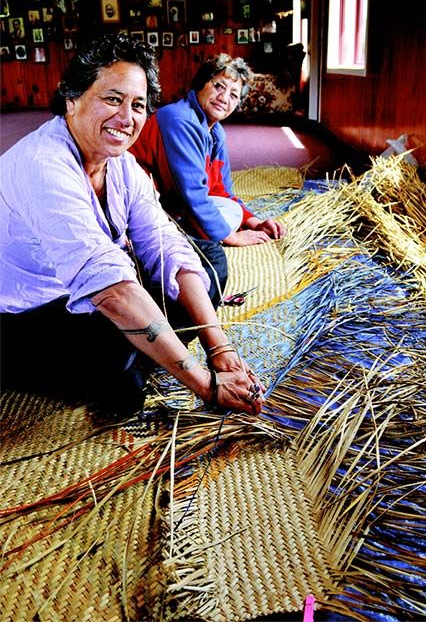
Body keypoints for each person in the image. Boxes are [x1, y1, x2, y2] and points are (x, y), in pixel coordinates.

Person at [0, 34, 265, 420]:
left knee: (206, 270)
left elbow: (165, 243)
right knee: (119, 344)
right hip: (23, 315)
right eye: (112, 99)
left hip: (92, 293)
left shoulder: (121, 164)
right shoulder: (44, 165)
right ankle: (123, 365)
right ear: (72, 99)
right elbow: (111, 291)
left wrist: (220, 348)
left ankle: (138, 359)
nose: (126, 118)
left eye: (138, 105)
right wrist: (205, 384)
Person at [129, 54, 286, 302]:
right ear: (201, 84)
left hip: (173, 204)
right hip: (141, 203)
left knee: (232, 210)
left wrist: (254, 221)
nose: (224, 98)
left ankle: (196, 229)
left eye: (234, 95)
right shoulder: (179, 119)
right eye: (218, 86)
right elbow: (192, 196)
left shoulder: (216, 132)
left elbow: (223, 192)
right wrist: (232, 237)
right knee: (216, 230)